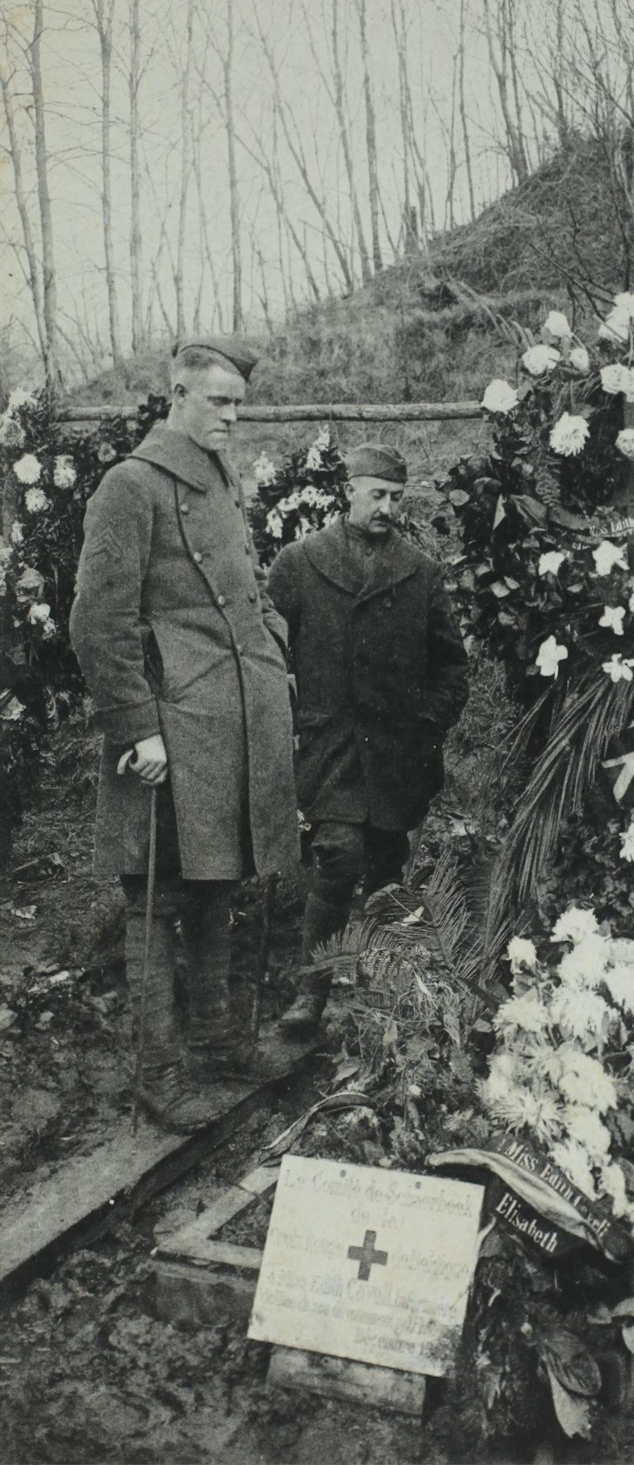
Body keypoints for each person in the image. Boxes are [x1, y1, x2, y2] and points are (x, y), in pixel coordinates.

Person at [69, 337, 300, 1132]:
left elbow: (249, 584)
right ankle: (159, 1074)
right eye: (220, 401)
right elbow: (98, 621)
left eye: (240, 402)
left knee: (218, 888)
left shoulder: (219, 474)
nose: (234, 415)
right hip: (170, 732)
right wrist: (138, 729)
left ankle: (219, 1042)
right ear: (177, 393)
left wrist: (276, 655)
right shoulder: (129, 486)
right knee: (156, 900)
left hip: (231, 724)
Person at [267, 443, 469, 1034]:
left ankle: (386, 990)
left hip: (397, 750)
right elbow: (267, 655)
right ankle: (311, 990)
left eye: (396, 498)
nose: (386, 507)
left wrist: (425, 727)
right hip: (330, 745)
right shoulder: (300, 563)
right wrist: (287, 717)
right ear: (348, 491)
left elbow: (452, 668)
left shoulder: (420, 572)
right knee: (337, 855)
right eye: (376, 495)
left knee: (386, 866)